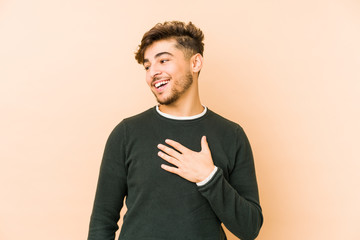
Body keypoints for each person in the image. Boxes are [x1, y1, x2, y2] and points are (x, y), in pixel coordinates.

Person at [88, 21, 263, 240]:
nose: (153, 72)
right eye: (147, 66)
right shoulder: (126, 133)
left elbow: (249, 228)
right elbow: (101, 224)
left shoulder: (231, 135)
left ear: (195, 63)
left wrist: (208, 177)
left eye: (163, 60)